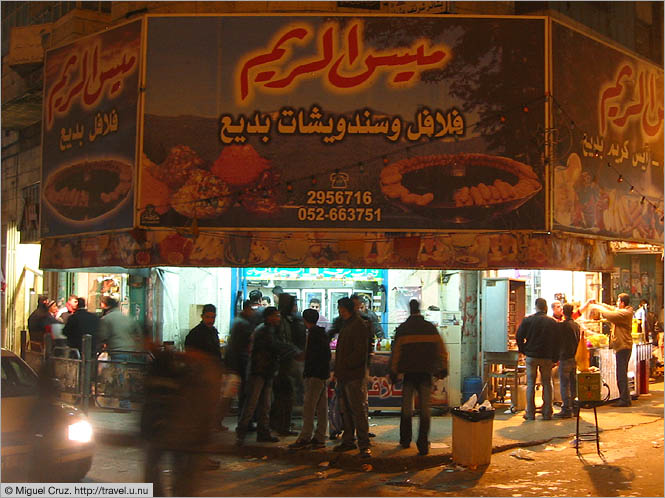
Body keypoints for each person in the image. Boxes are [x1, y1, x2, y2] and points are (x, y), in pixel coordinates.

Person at [142, 342, 221, 496]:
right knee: (165, 473)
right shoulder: (175, 370)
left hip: (182, 435)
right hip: (170, 432)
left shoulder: (196, 374)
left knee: (180, 477)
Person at [390, 299, 448, 455]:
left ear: (410, 309)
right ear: (420, 310)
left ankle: (405, 440)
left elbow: (396, 353)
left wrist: (393, 371)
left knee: (407, 408)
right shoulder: (430, 328)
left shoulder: (403, 329)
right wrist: (443, 367)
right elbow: (441, 349)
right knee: (424, 410)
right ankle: (422, 444)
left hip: (409, 374)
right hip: (425, 374)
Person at [236, 307, 294, 445]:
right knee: (253, 403)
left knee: (264, 404)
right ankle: (242, 432)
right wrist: (292, 350)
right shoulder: (264, 331)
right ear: (269, 317)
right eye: (276, 316)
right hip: (259, 372)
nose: (278, 319)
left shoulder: (268, 329)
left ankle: (262, 432)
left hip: (266, 371)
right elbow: (274, 346)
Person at [332, 297, 372, 458]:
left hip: (353, 375)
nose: (340, 312)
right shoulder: (347, 324)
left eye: (341, 309)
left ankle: (364, 444)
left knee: (357, 409)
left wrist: (345, 365)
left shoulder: (358, 325)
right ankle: (348, 440)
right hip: (345, 374)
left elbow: (359, 352)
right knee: (346, 410)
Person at [289, 308, 331, 450]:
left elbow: (311, 357)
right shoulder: (322, 334)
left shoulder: (313, 335)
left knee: (309, 407)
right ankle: (320, 436)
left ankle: (305, 436)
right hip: (322, 375)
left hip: (314, 375)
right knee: (321, 407)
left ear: (305, 320)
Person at [516, 298, 559, 421]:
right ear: (545, 307)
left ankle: (530, 413)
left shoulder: (528, 320)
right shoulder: (553, 322)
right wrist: (555, 358)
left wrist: (524, 350)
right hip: (547, 357)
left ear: (536, 307)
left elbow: (519, 336)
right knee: (547, 383)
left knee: (530, 383)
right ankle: (547, 413)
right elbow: (558, 342)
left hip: (532, 356)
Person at [185, 304, 226, 430]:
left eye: (213, 317)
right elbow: (191, 355)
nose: (210, 320)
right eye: (208, 317)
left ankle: (212, 424)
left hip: (213, 373)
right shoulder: (195, 334)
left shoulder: (213, 332)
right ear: (202, 317)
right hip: (201, 374)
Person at [588, 294, 634, 407]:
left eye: (618, 301)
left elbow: (610, 314)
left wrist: (596, 308)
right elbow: (610, 308)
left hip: (623, 346)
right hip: (622, 346)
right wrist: (598, 303)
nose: (617, 303)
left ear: (622, 303)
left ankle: (624, 400)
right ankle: (625, 398)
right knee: (621, 373)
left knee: (621, 374)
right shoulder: (622, 310)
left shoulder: (625, 313)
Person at [97, 296, 142, 409]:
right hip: (130, 350)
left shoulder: (106, 319)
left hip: (117, 350)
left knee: (120, 376)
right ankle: (119, 398)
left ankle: (124, 403)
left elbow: (103, 336)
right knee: (125, 375)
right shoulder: (127, 318)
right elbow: (138, 332)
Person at [270, 293, 305, 436]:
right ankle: (282, 426)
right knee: (285, 396)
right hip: (282, 365)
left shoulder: (286, 320)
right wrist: (294, 350)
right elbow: (280, 342)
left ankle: (280, 424)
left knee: (283, 397)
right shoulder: (281, 321)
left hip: (284, 364)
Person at [226, 300, 255, 424]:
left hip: (236, 363)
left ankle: (243, 421)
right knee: (243, 394)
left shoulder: (238, 321)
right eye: (252, 310)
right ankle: (244, 423)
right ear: (247, 309)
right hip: (240, 364)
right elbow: (242, 346)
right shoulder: (243, 324)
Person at [554, 304, 580, 418]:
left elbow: (558, 342)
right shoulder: (576, 325)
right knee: (573, 384)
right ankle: (575, 407)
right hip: (574, 358)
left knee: (565, 385)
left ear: (563, 312)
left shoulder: (562, 326)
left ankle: (566, 409)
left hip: (565, 358)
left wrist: (556, 356)